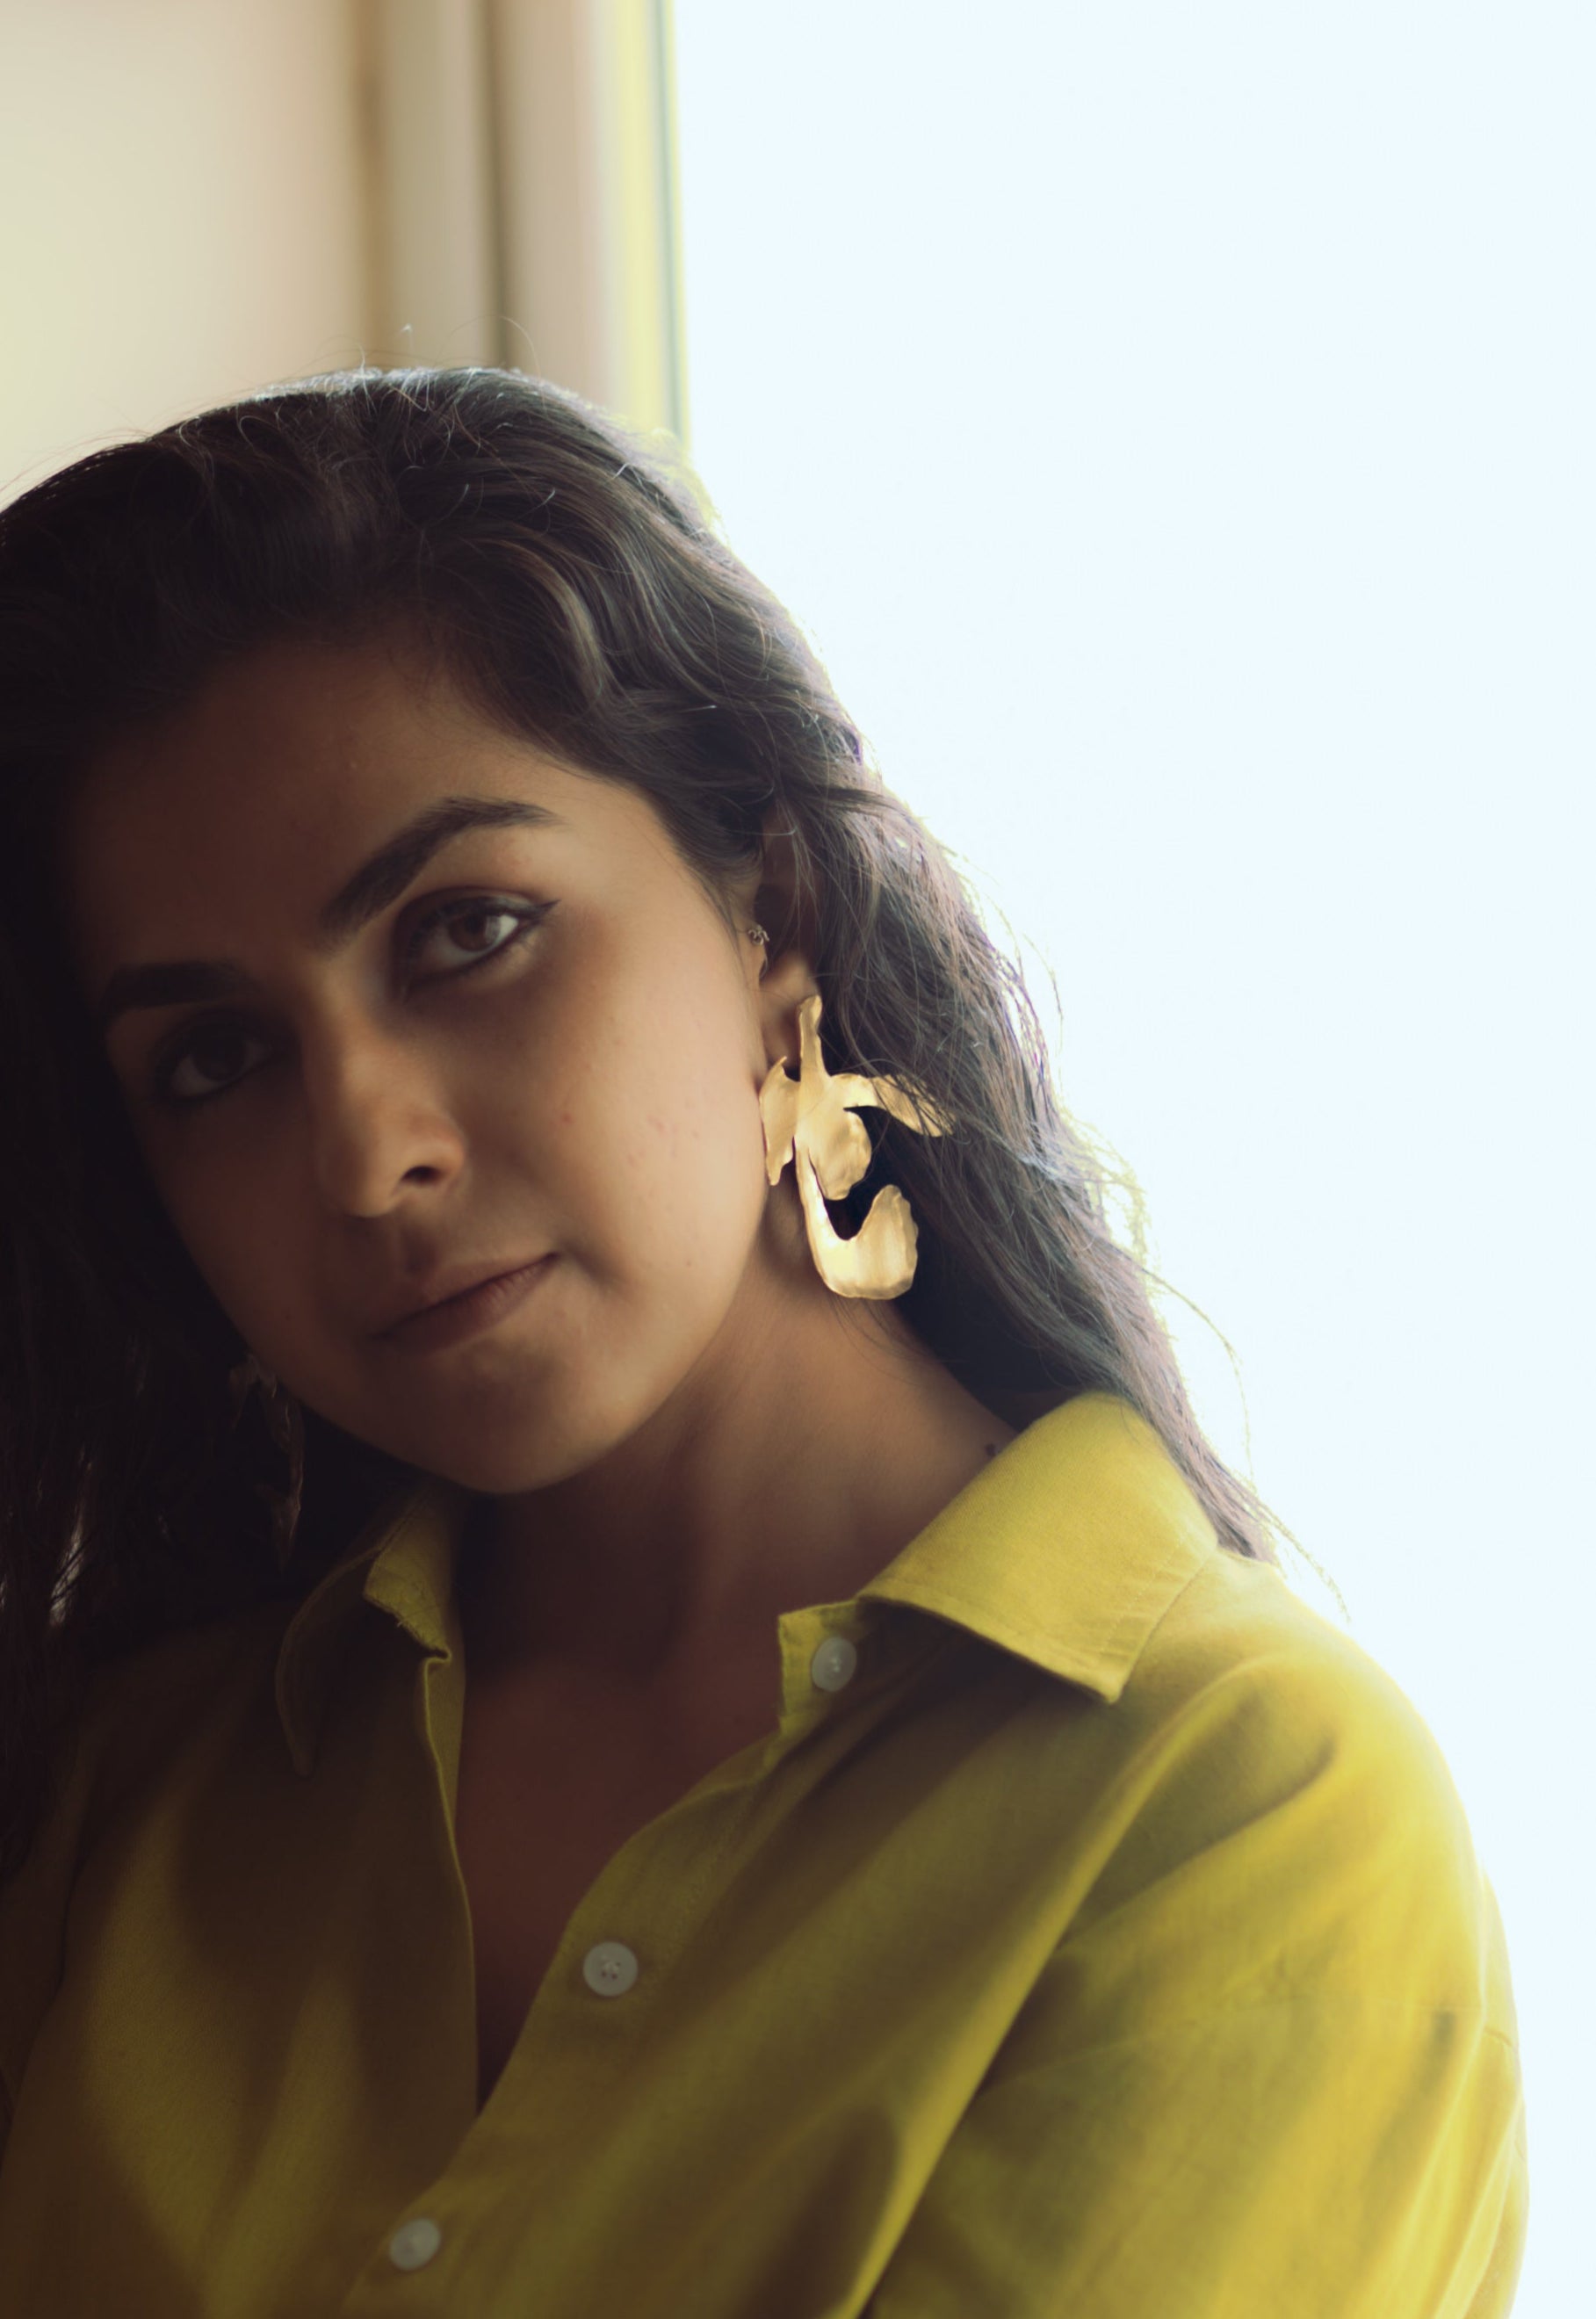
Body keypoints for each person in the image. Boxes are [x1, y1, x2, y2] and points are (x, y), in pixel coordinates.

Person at [0, 370, 1525, 2317]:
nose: (368, 1150)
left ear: (771, 913)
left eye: (466, 931)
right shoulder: (126, 1798)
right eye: (212, 1058)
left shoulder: (1236, 1807)